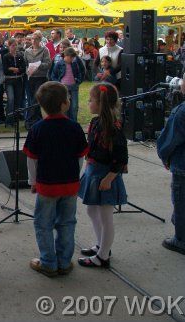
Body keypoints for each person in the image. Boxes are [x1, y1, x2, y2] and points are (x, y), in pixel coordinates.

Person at [23, 81, 88, 277]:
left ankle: (48, 262)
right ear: (65, 104)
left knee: (43, 224)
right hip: (70, 185)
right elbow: (80, 157)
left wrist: (33, 182)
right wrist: (75, 177)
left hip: (47, 186)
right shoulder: (75, 127)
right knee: (67, 223)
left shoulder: (37, 129)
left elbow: (31, 159)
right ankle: (64, 261)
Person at [78, 83, 128, 268]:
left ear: (101, 103)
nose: (88, 103)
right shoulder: (95, 122)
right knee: (92, 210)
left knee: (106, 215)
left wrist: (109, 178)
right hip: (93, 171)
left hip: (105, 175)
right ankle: (101, 245)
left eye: (91, 100)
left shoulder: (113, 128)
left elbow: (121, 158)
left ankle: (103, 256)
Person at [156, 72, 185, 255]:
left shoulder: (181, 111)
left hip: (182, 166)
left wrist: (165, 157)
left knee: (181, 203)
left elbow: (168, 141)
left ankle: (181, 240)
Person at [24, 32, 51, 129]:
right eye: (32, 39)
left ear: (40, 39)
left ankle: (31, 121)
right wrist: (27, 69)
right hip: (30, 78)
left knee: (36, 99)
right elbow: (25, 63)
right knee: (31, 99)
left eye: (36, 39)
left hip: (41, 77)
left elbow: (48, 64)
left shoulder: (45, 50)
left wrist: (39, 65)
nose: (34, 41)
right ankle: (35, 120)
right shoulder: (27, 51)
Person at [50, 47, 84, 122]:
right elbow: (53, 75)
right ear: (66, 56)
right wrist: (59, 84)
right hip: (63, 89)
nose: (72, 59)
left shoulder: (74, 63)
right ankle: (65, 122)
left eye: (73, 58)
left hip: (74, 87)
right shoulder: (59, 64)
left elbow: (79, 73)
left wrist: (78, 81)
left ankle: (74, 122)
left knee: (74, 106)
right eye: (71, 57)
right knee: (64, 107)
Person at [3, 37, 27, 127]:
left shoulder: (20, 56)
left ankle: (15, 120)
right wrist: (13, 69)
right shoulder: (6, 56)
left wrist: (16, 69)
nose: (14, 47)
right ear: (9, 46)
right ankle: (9, 120)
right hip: (9, 80)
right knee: (11, 99)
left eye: (15, 45)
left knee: (17, 100)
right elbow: (5, 70)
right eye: (12, 46)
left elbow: (23, 68)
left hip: (18, 80)